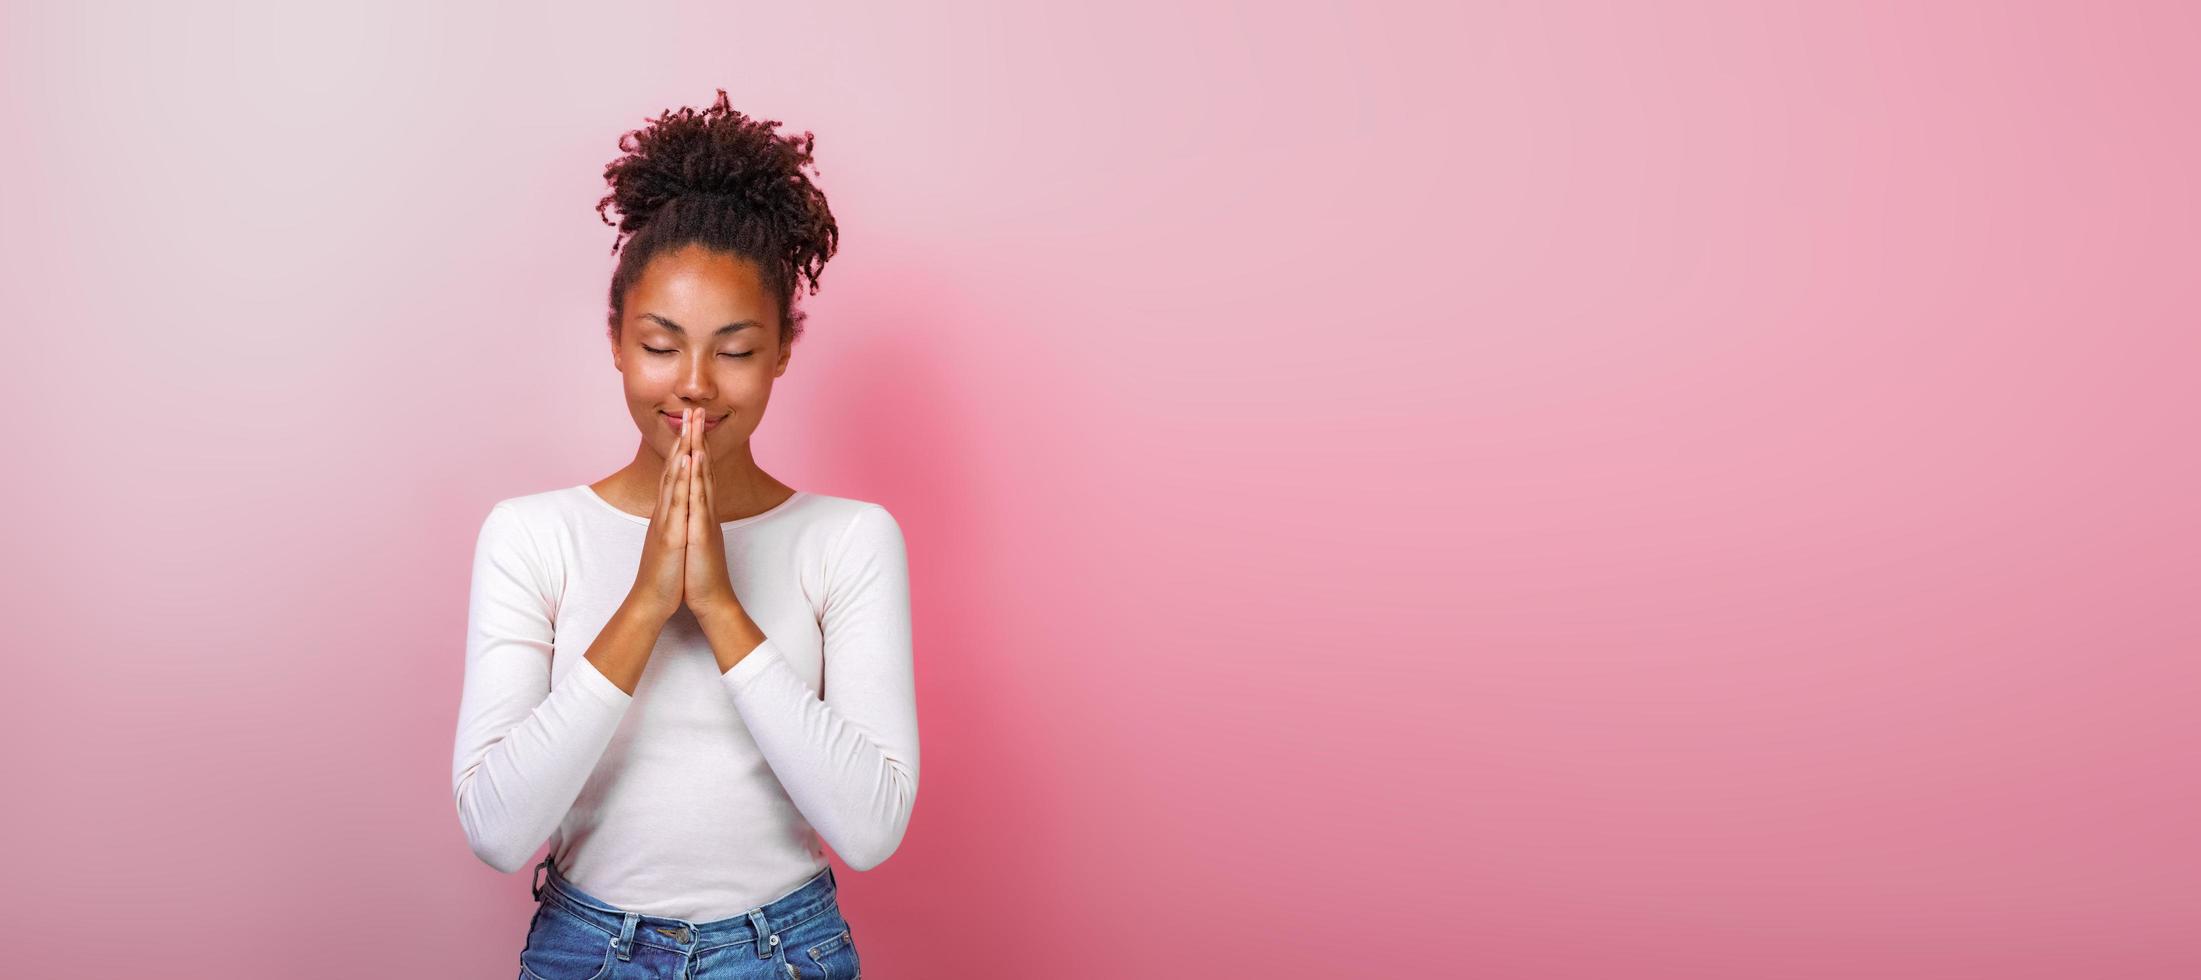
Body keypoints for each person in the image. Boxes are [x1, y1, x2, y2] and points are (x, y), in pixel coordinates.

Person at [451, 89, 912, 979]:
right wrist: (646, 604)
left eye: (735, 350)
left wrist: (719, 608)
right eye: (662, 343)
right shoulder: (530, 535)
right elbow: (498, 833)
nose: (695, 383)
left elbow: (869, 829)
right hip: (583, 949)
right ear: (616, 340)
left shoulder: (848, 540)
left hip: (783, 952)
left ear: (782, 350)